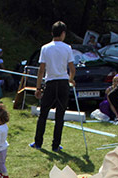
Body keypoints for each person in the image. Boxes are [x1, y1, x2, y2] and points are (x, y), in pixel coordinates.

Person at [30, 21, 75, 153]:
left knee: (43, 114)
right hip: (62, 83)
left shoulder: (45, 48)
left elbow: (41, 70)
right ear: (63, 34)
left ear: (52, 33)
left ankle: (38, 142)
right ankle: (56, 145)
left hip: (50, 83)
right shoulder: (67, 48)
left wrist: (38, 88)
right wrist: (71, 80)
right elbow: (72, 69)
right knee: (59, 116)